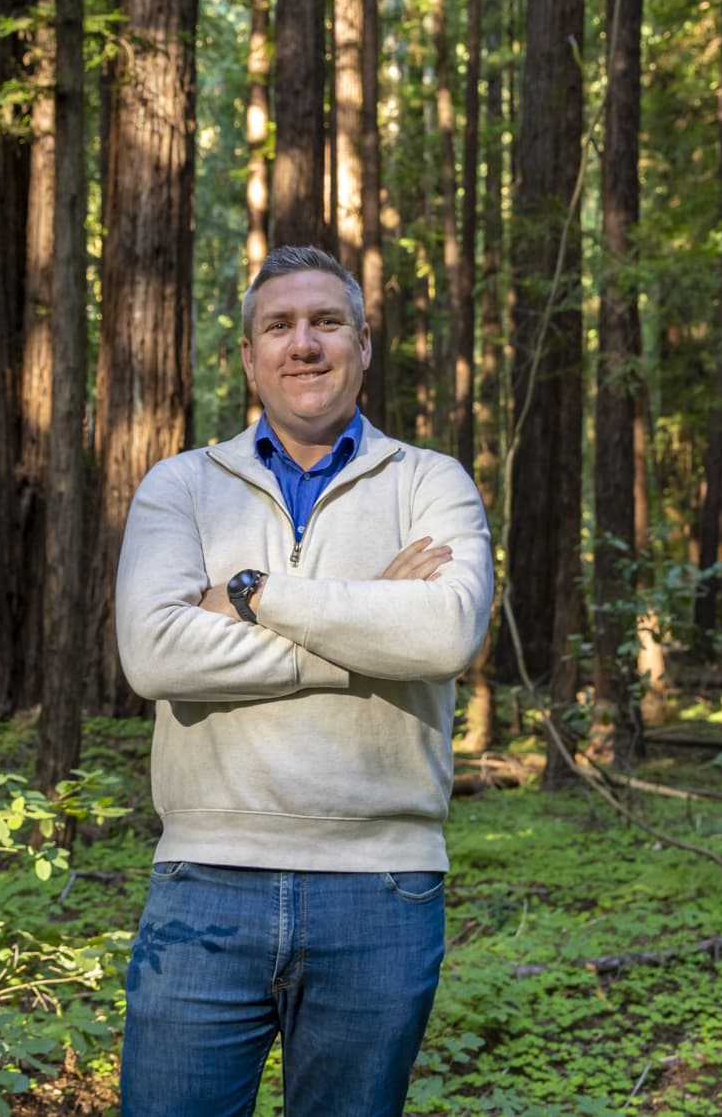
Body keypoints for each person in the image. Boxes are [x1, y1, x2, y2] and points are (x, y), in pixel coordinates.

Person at [114, 243, 493, 1116]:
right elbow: (155, 653)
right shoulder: (181, 486)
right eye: (279, 325)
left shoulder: (430, 482)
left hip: (382, 887)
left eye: (327, 322)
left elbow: (442, 633)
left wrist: (248, 596)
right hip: (204, 880)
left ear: (364, 343)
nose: (304, 343)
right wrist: (357, 630)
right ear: (249, 356)